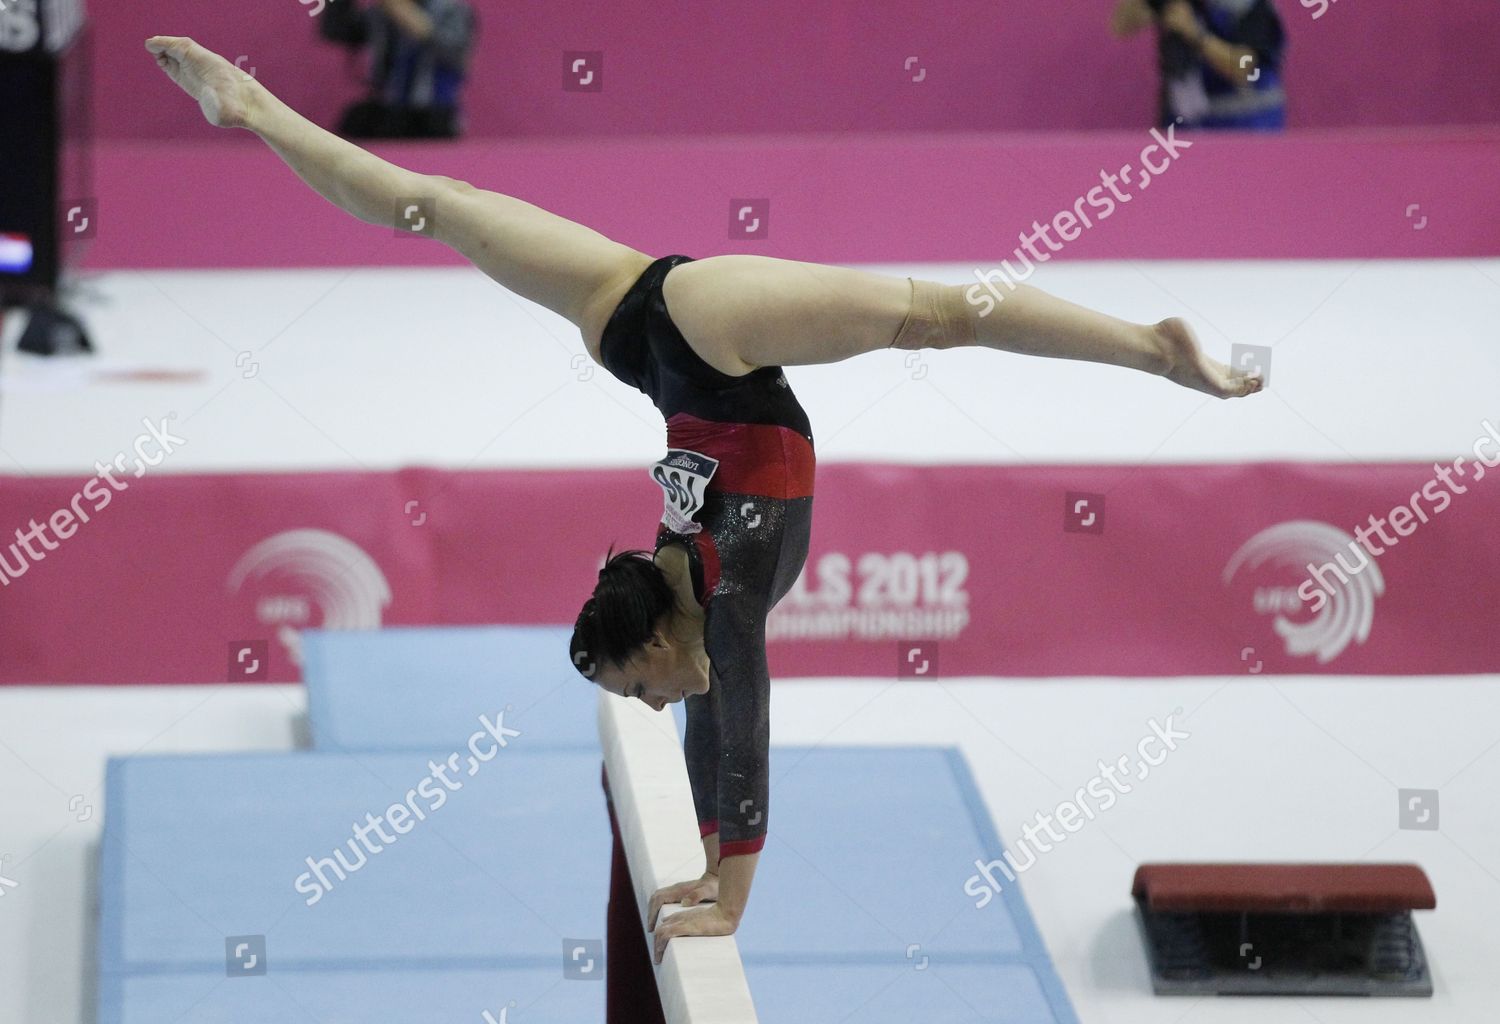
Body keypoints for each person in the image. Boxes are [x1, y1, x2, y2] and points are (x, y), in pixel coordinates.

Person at [145, 34, 1263, 963]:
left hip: (700, 330)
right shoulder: (694, 601)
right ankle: (250, 105)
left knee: (940, 312)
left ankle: (1155, 349)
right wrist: (718, 870)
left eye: (635, 688)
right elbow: (729, 730)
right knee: (432, 202)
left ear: (662, 636)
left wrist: (729, 888)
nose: (644, 704)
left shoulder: (715, 597)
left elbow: (733, 735)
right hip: (647, 333)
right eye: (638, 693)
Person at [1112, 0, 1286, 130]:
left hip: (1247, 126)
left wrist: (1195, 34)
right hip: (1184, 128)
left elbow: (1244, 67)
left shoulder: (1249, 5)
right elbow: (1121, 25)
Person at [317, 0, 477, 139]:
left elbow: (452, 50)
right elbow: (335, 29)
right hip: (388, 113)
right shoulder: (379, 13)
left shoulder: (452, 10)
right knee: (356, 121)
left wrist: (403, 12)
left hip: (435, 115)